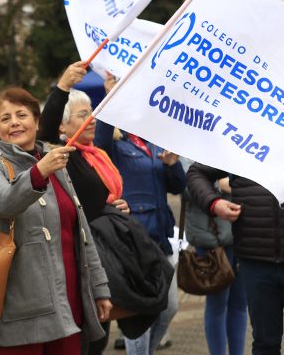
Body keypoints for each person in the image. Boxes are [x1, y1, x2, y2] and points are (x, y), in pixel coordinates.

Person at [0, 86, 112, 353]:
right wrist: (39, 172)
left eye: (22, 114)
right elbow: (2, 202)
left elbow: (81, 231)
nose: (14, 122)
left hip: (70, 302)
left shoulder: (54, 160)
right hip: (24, 310)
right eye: (5, 118)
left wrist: (99, 287)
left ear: (36, 122)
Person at [186, 149, 284, 355]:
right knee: (264, 343)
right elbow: (196, 173)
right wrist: (214, 203)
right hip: (255, 263)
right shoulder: (239, 139)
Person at [37, 63, 130, 354]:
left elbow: (101, 196)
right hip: (79, 257)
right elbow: (46, 128)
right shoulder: (65, 156)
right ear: (63, 128)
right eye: (82, 114)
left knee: (100, 331)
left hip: (106, 251)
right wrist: (63, 87)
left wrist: (118, 207)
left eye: (92, 112)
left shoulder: (96, 155)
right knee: (86, 336)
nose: (91, 119)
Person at [93, 74, 184, 355]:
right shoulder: (116, 146)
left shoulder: (155, 143)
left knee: (168, 308)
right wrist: (110, 97)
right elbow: (100, 140)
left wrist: (171, 164)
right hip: (134, 242)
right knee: (139, 318)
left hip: (160, 238)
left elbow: (178, 187)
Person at [183, 177, 247, 355]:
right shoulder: (191, 151)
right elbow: (184, 187)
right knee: (218, 303)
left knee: (240, 303)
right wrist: (217, 186)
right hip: (212, 237)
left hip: (242, 232)